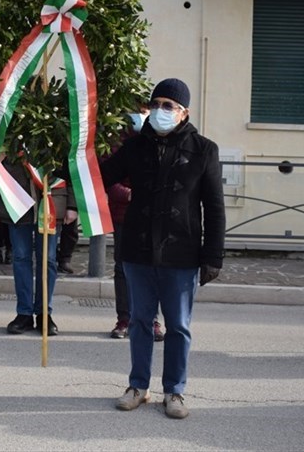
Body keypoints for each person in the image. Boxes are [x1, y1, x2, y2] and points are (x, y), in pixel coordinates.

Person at [101, 78, 225, 419]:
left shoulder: (204, 150)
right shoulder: (135, 147)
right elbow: (101, 175)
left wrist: (213, 256)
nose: (159, 111)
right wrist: (70, 159)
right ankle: (138, 386)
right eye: (155, 105)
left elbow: (214, 208)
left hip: (181, 254)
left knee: (178, 326)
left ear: (184, 113)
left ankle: (175, 391)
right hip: (138, 251)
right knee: (140, 321)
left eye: (168, 106)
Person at [0, 159, 77, 337]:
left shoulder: (56, 131)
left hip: (51, 202)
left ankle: (44, 313)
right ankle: (24, 313)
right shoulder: (7, 133)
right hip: (16, 201)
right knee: (20, 258)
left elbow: (70, 166)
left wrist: (72, 205)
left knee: (48, 260)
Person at [108, 106, 165, 342]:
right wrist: (130, 195)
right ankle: (124, 318)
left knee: (152, 268)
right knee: (123, 268)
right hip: (124, 214)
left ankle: (151, 319)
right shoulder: (117, 140)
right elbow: (108, 178)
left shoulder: (159, 140)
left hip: (152, 215)